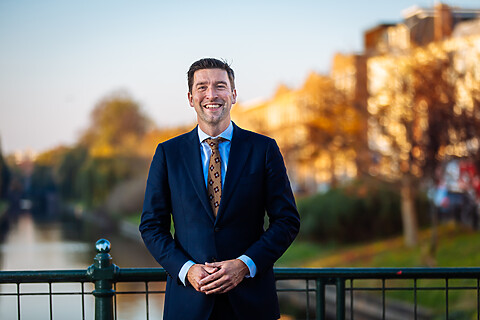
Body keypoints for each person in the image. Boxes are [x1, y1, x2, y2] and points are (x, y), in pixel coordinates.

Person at [139, 58, 300, 320]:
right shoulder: (168, 153)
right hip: (189, 304)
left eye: (220, 86)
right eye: (202, 87)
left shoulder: (264, 149)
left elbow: (287, 221)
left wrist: (244, 265)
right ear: (191, 98)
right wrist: (187, 270)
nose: (211, 94)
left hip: (251, 303)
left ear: (233, 95)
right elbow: (151, 226)